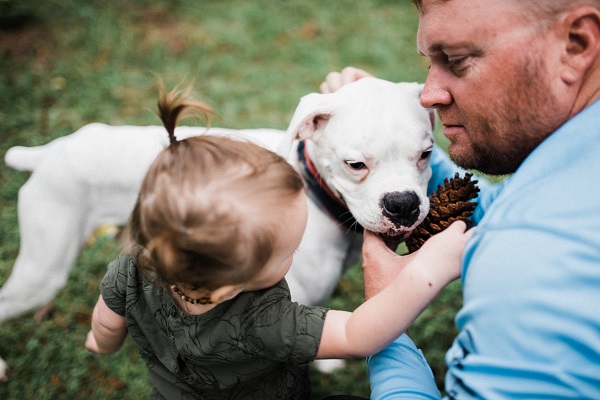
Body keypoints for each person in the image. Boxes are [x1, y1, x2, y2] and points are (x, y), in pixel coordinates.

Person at [84, 82, 473, 400]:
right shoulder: (269, 320)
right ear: (241, 276)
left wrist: (101, 341)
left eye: (422, 155)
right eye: (289, 251)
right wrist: (427, 270)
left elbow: (105, 321)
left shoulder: (130, 270)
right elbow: (360, 333)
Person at [321, 0, 600, 398]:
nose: (428, 95)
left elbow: (522, 228)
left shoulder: (535, 264)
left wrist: (382, 325)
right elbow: (509, 207)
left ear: (575, 44)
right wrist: (398, 142)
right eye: (429, 63)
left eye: (456, 60)